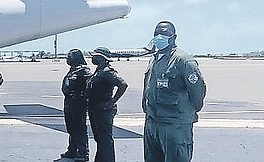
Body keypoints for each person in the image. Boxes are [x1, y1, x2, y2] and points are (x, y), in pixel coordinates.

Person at [142, 21, 206, 162]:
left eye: (164, 34)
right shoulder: (154, 59)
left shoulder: (183, 61)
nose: (159, 36)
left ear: (174, 37)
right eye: (156, 33)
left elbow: (197, 92)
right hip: (153, 122)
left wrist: (186, 113)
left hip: (174, 125)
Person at [85, 47, 128, 162]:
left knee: (105, 140)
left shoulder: (108, 72)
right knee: (99, 139)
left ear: (101, 58)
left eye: (95, 56)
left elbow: (123, 84)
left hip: (103, 110)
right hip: (95, 108)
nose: (92, 58)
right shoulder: (99, 70)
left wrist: (112, 101)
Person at [57, 49, 92, 162]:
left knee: (79, 128)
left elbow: (91, 84)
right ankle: (72, 150)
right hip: (69, 102)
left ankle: (83, 153)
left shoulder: (84, 71)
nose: (67, 59)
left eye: (70, 57)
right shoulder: (72, 70)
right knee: (71, 128)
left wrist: (84, 96)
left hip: (78, 103)